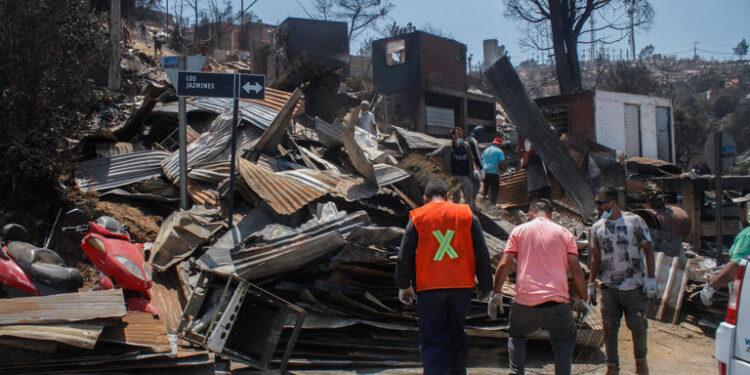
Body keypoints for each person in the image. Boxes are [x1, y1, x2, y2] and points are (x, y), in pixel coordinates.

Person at [395, 179, 493, 375]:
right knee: (457, 333)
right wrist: (486, 286)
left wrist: (404, 284)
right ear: (448, 196)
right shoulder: (466, 215)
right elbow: (482, 251)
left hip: (430, 287)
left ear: (425, 198)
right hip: (461, 286)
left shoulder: (418, 217)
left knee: (433, 338)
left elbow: (404, 253)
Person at [488, 199, 588, 375]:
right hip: (557, 303)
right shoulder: (565, 234)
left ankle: (516, 371)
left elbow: (504, 264)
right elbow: (577, 271)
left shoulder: (519, 231)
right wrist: (583, 299)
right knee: (563, 340)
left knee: (517, 336)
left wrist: (496, 292)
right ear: (551, 215)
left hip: (526, 302)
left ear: (531, 214)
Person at [588, 186, 657, 375]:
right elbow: (596, 257)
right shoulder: (597, 227)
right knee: (609, 330)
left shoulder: (634, 222)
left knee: (639, 329)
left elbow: (648, 250)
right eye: (596, 203)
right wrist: (591, 284)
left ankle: (641, 364)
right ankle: (612, 367)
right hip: (609, 288)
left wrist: (651, 280)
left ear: (613, 202)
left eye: (601, 203)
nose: (598, 207)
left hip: (634, 287)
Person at [696, 199, 750, 305]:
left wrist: (711, 286)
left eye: (743, 207)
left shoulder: (747, 235)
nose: (740, 211)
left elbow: (736, 267)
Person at [430, 128, 476, 206]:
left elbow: (471, 159)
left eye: (461, 134)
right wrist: (441, 165)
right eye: (459, 134)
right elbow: (434, 155)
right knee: (456, 198)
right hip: (453, 176)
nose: (461, 136)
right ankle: (456, 214)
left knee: (468, 196)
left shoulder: (466, 146)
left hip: (465, 175)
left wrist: (473, 171)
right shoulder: (447, 147)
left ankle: (468, 213)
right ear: (453, 136)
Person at [482, 137, 507, 205]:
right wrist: (505, 169)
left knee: (485, 187)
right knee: (495, 188)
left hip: (484, 172)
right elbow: (502, 163)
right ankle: (492, 204)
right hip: (493, 172)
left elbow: (483, 159)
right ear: (499, 144)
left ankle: (483, 202)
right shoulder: (499, 151)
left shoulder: (486, 149)